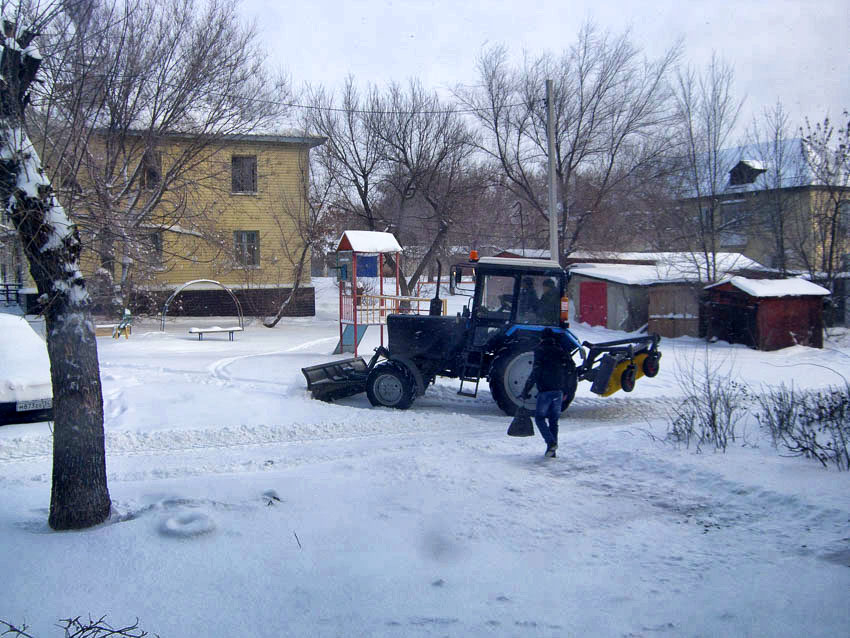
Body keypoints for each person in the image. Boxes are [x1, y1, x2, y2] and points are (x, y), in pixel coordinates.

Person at [520, 328, 569, 457]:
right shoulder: (560, 351)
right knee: (554, 421)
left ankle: (551, 442)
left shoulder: (540, 351)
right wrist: (566, 390)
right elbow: (567, 371)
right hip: (558, 391)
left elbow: (535, 372)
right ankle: (552, 451)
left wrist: (526, 390)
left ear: (542, 338)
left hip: (545, 391)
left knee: (540, 418)